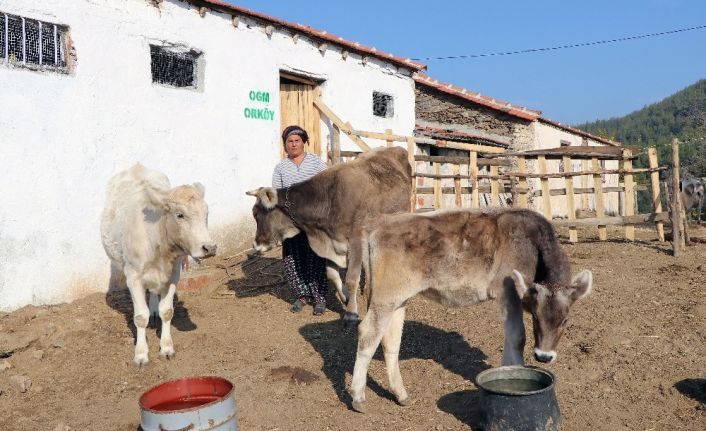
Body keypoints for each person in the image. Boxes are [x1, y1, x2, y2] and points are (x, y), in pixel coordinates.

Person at [272, 125, 330, 315]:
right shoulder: (280, 168)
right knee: (293, 259)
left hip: (314, 220)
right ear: (285, 145)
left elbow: (328, 186)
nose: (294, 144)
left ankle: (319, 298)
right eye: (290, 141)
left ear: (304, 142)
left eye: (297, 140)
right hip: (290, 222)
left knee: (316, 257)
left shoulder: (316, 163)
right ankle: (302, 295)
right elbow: (277, 195)